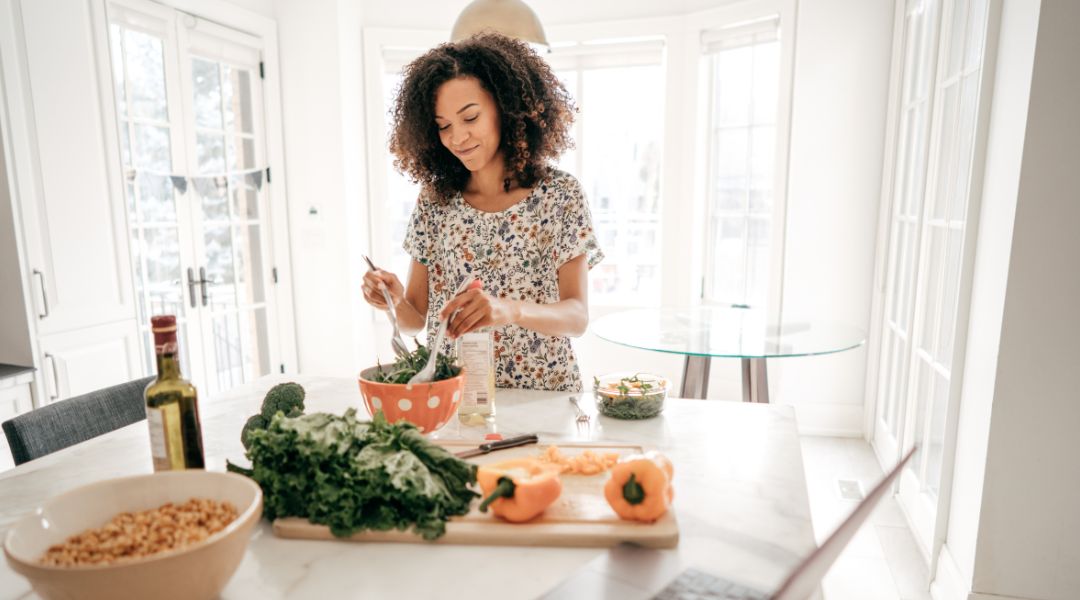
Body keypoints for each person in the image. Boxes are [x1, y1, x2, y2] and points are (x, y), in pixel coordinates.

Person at [362, 32, 603, 393]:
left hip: (543, 398)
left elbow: (577, 317)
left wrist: (510, 309)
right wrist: (393, 300)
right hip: (455, 398)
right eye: (444, 126)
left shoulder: (559, 196)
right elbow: (416, 319)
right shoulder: (435, 202)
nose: (457, 138)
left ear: (505, 108)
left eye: (470, 117)